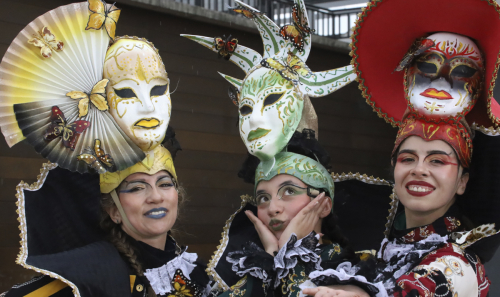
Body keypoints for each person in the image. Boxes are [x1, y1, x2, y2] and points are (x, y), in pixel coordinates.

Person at [0, 1, 209, 296]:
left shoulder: (192, 271)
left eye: (165, 183)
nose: (156, 196)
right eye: (136, 188)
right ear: (113, 210)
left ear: (178, 194)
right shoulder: (92, 273)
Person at [348, 0, 500, 295]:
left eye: (437, 161)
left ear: (463, 181)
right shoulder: (368, 239)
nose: (419, 169)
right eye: (407, 158)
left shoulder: (456, 264)